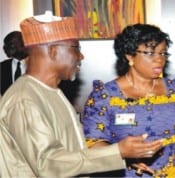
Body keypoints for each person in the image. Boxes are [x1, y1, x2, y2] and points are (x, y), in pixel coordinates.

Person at [0, 11, 163, 177]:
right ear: (53, 51)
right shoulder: (24, 100)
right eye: (76, 48)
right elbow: (48, 164)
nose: (81, 56)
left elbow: (71, 152)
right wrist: (117, 152)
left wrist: (121, 157)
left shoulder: (50, 92)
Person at [82, 23, 175, 177]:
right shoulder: (105, 95)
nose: (159, 60)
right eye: (151, 53)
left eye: (163, 53)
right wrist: (122, 154)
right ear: (129, 55)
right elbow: (93, 144)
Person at [1, 31, 28, 96]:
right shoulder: (2, 67)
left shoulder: (38, 66)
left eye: (11, 44)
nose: (4, 48)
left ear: (23, 44)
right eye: (5, 45)